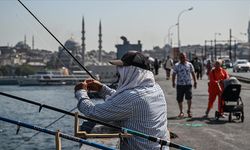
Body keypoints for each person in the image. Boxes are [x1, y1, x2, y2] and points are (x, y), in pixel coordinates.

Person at [74, 51, 169, 150]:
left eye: (122, 69)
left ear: (131, 71)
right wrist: (102, 89)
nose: (119, 73)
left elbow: (93, 112)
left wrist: (81, 92)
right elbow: (123, 100)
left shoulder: (131, 98)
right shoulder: (156, 89)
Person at [172, 52, 197, 118]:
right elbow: (174, 74)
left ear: (186, 57)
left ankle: (189, 111)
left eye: (183, 57)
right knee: (179, 99)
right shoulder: (177, 65)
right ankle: (181, 112)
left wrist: (195, 81)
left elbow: (193, 73)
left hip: (188, 84)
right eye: (181, 57)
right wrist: (173, 82)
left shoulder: (190, 64)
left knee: (189, 98)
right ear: (179, 58)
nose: (182, 58)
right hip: (180, 85)